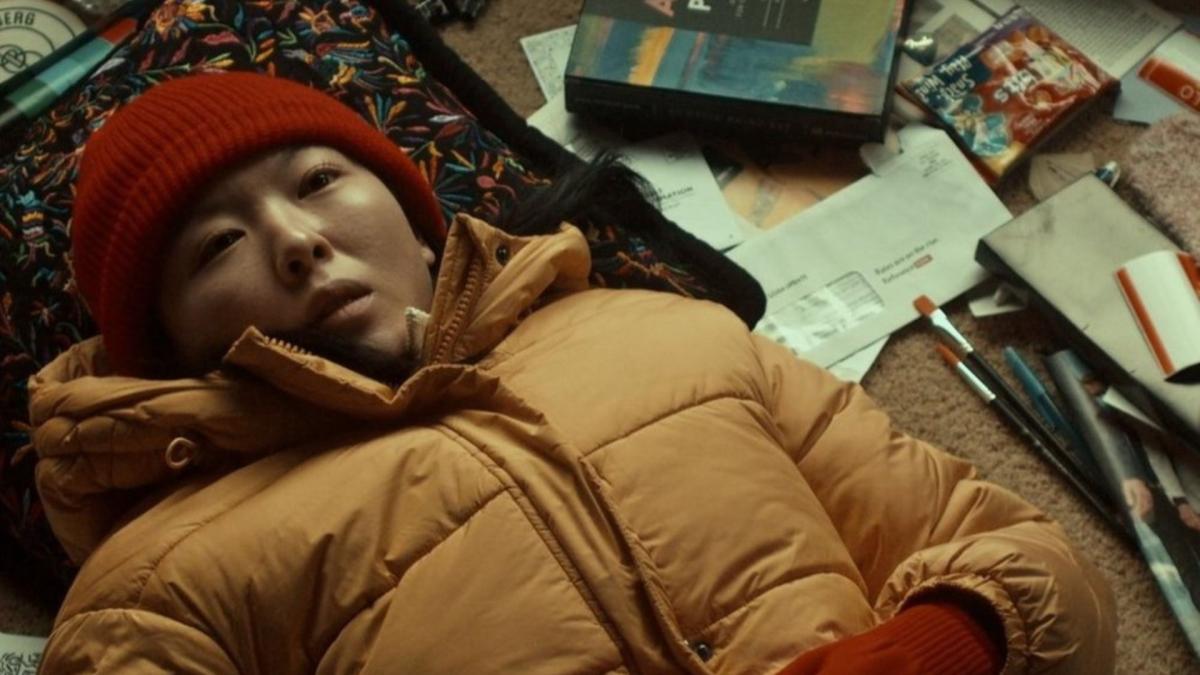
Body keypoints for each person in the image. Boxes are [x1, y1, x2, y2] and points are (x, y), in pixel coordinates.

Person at [29, 71, 1115, 673]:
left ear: (415, 219)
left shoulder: (659, 332)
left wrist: (936, 649)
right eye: (214, 245)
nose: (295, 241)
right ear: (167, 344)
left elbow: (1030, 559)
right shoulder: (156, 592)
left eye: (317, 180)